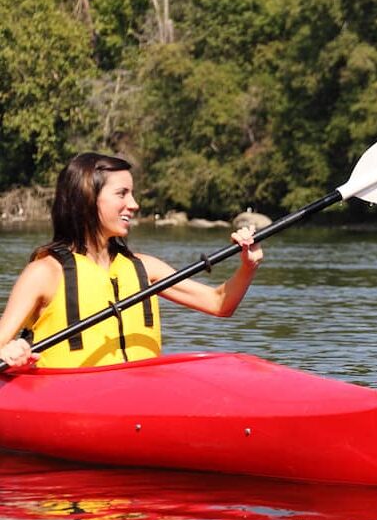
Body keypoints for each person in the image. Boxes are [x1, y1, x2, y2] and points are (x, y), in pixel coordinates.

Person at [0, 153, 264, 369]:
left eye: (132, 194)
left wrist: (247, 266)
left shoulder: (144, 267)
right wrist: (11, 354)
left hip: (140, 403)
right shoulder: (45, 272)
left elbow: (220, 304)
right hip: (68, 405)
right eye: (122, 194)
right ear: (87, 198)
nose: (134, 204)